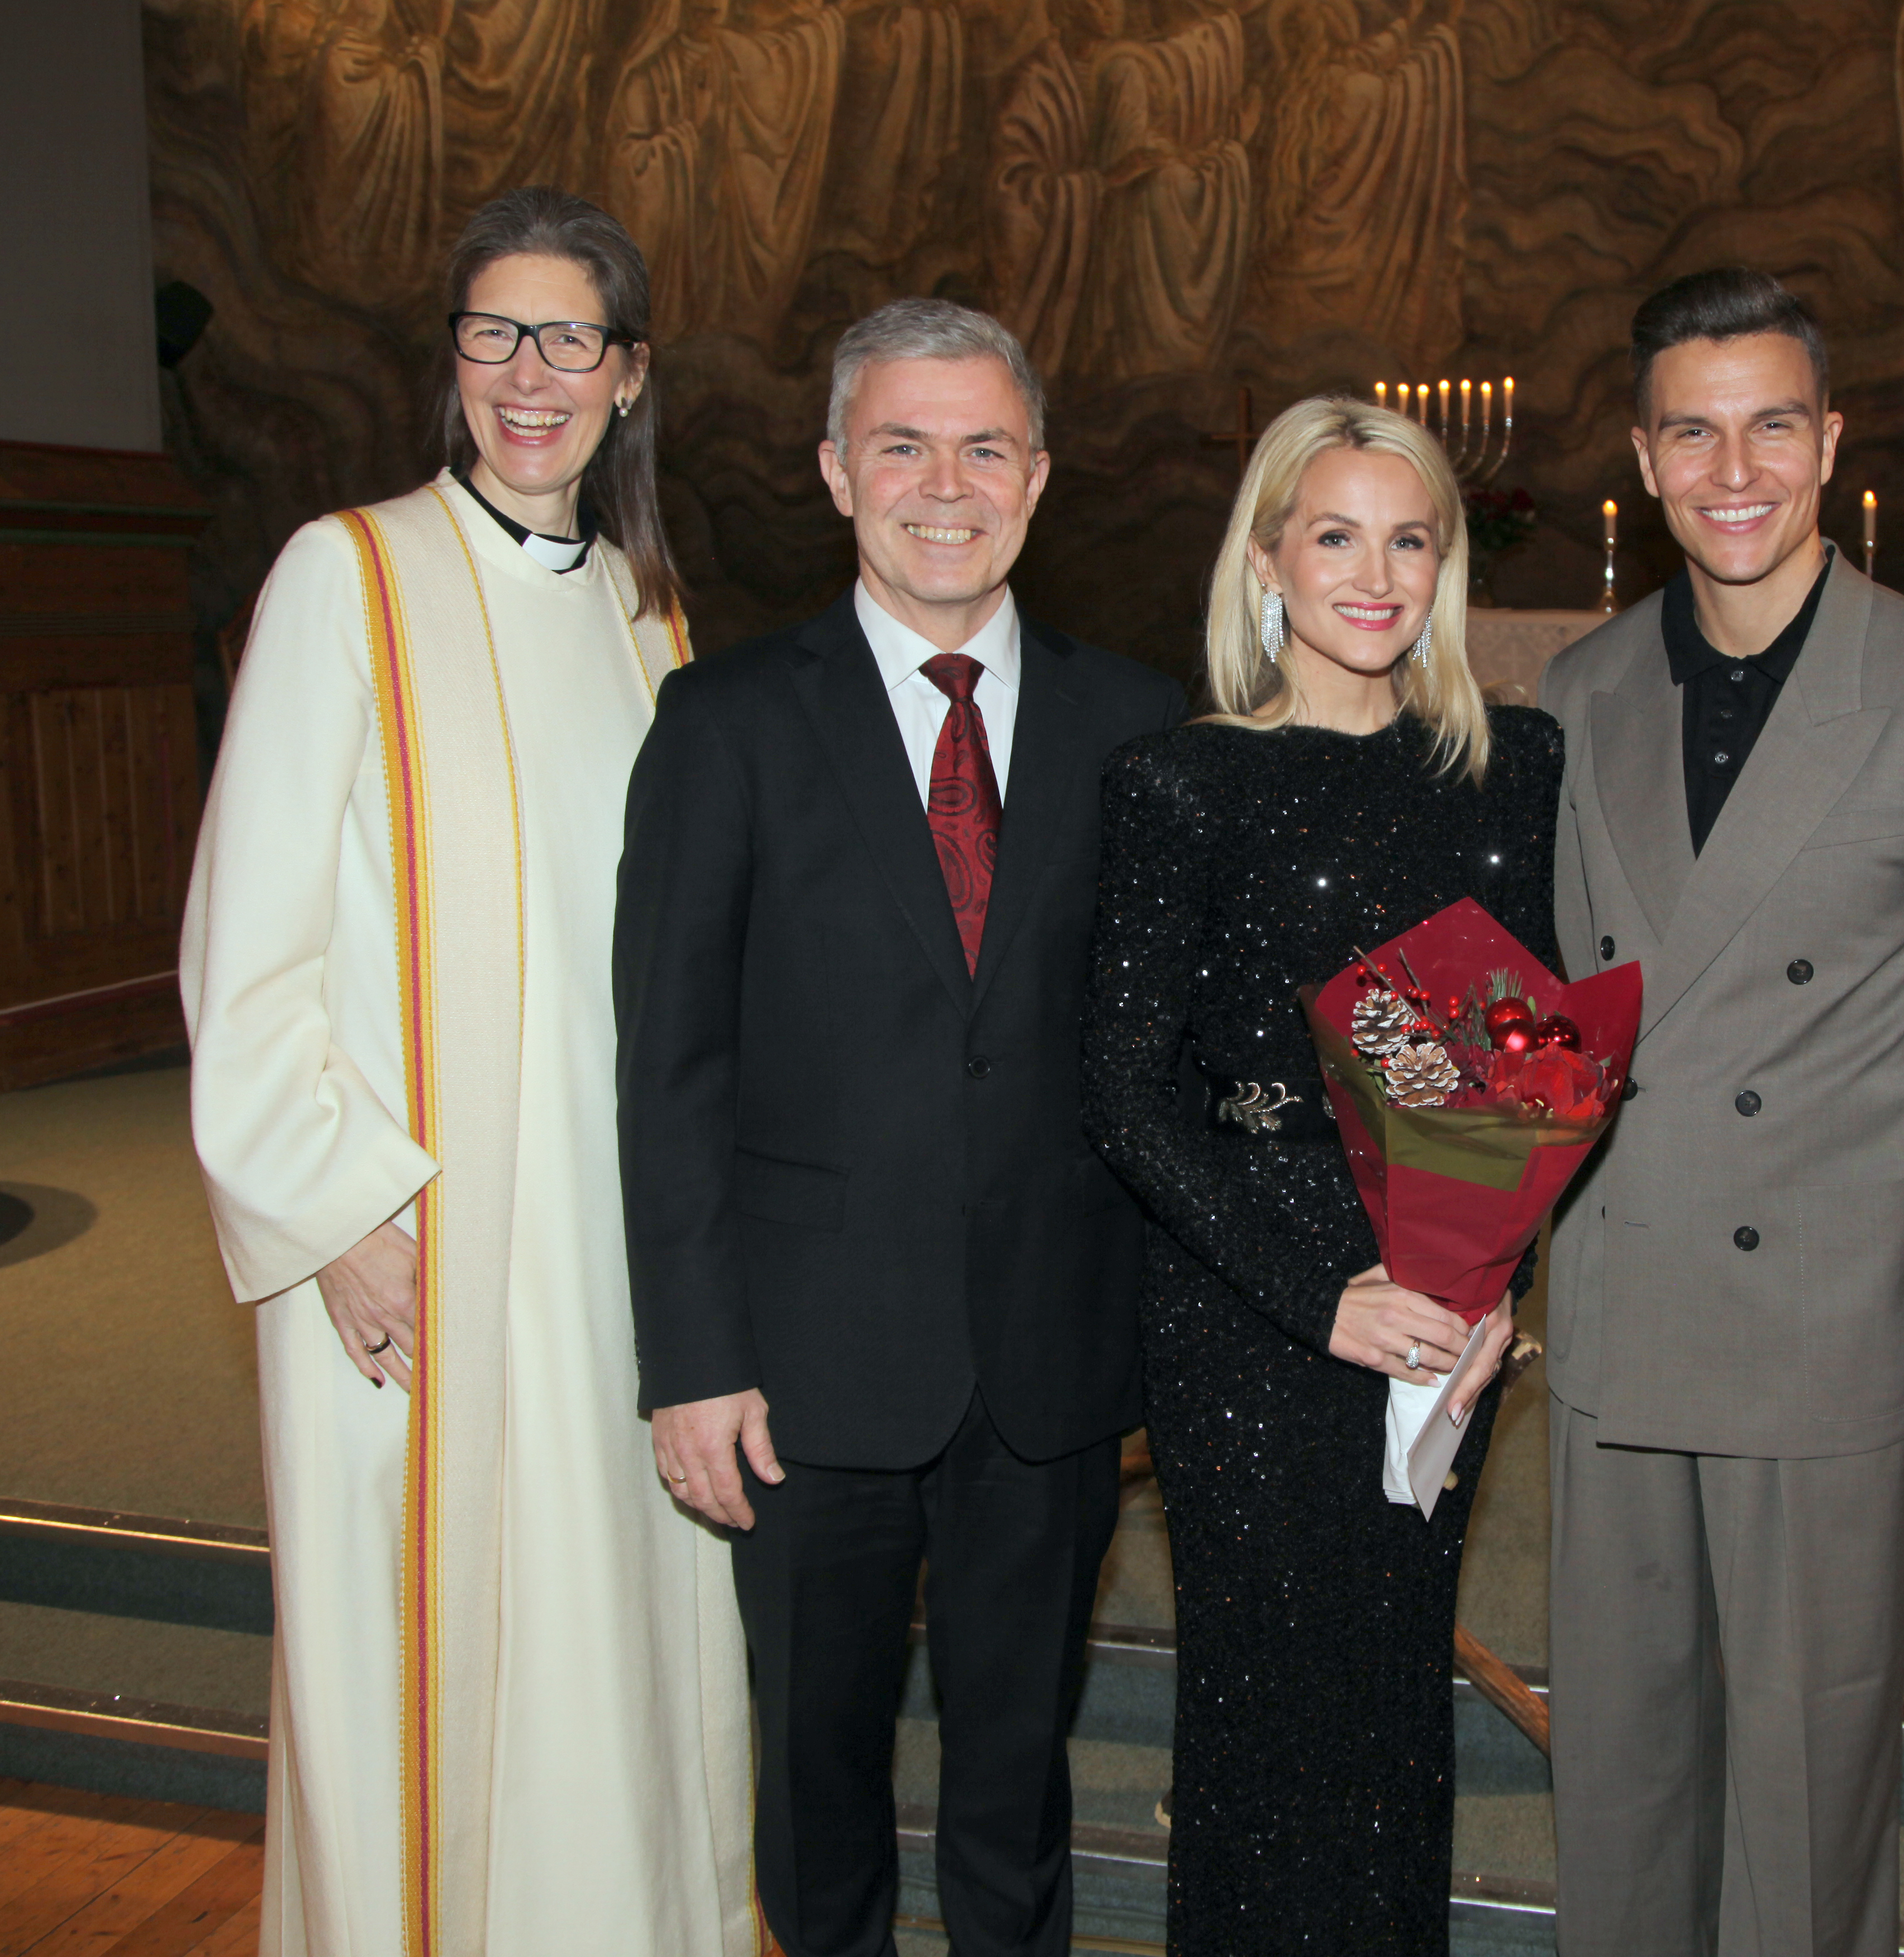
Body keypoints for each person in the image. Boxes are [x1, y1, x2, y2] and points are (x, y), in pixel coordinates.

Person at [180, 186, 755, 1955]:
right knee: (421, 1665)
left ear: (629, 373)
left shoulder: (648, 620)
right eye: (494, 333)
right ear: (453, 361)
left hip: (609, 1237)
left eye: (570, 337)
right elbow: (242, 939)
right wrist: (336, 1215)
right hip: (415, 1241)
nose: (529, 374)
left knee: (613, 1643)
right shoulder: (348, 574)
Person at [616, 300, 1182, 1957]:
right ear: (834, 470)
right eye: (904, 446)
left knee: (1018, 1784)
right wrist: (693, 1361)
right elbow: (668, 1069)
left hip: (1051, 1362)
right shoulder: (723, 722)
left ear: (1040, 475)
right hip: (802, 1366)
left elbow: (1170, 1050)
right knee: (817, 1786)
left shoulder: (1138, 725)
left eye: (986, 447)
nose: (948, 485)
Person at [1536, 268, 1904, 1956]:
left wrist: (1826, 1173)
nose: (1735, 469)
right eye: (1692, 433)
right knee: (1621, 1762)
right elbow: (1558, 1010)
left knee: (1807, 1768)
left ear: (1832, 442)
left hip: (1821, 1309)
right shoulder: (1578, 690)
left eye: (1772, 424)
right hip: (1622, 1296)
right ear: (1643, 456)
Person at [1078, 396, 1550, 1954]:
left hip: (1444, 1292)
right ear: (1267, 559)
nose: (1375, 575)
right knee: (1268, 1717)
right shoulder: (1182, 783)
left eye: (1409, 541)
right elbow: (1125, 1093)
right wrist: (1312, 1295)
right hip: (1251, 1304)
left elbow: (1524, 1067)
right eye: (1336, 536)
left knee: (1396, 1704)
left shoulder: (1516, 768)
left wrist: (1498, 1290)